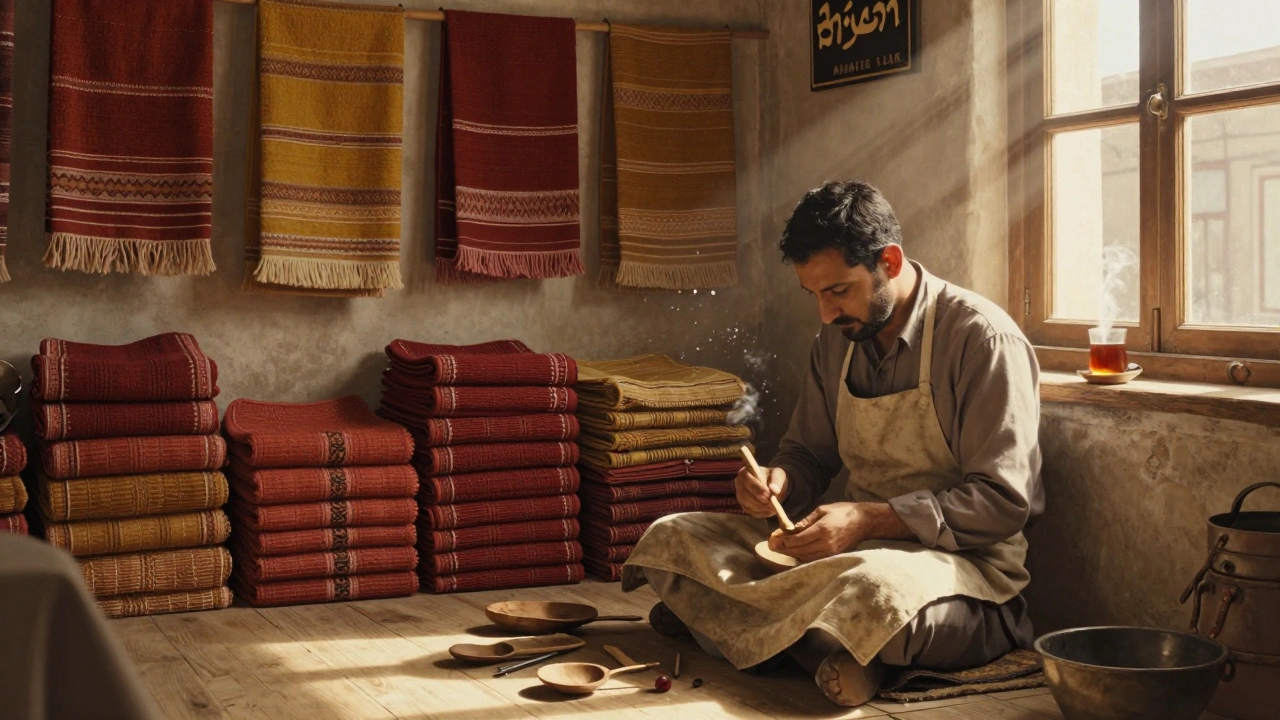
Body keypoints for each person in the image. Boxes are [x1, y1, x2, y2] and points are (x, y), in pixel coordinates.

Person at [620, 179, 1044, 707]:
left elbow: (1004, 502)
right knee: (672, 540)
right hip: (850, 555)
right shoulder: (837, 338)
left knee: (868, 593)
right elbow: (807, 454)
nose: (825, 314)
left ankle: (739, 627)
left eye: (838, 290)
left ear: (889, 260)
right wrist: (779, 480)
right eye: (815, 295)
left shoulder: (981, 340)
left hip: (958, 571)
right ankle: (828, 648)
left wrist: (870, 519)